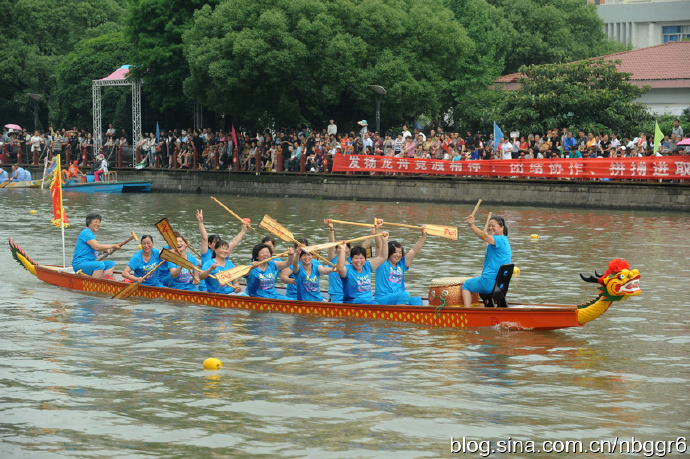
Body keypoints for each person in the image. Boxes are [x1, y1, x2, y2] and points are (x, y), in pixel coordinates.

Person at [461, 214, 512, 308]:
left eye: (493, 226)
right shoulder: (505, 241)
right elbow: (487, 241)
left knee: (466, 285)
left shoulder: (498, 239)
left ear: (502, 227)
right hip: (499, 286)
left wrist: (472, 225)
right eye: (489, 226)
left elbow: (484, 237)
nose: (490, 228)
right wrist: (484, 235)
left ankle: (466, 312)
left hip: (488, 283)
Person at [374, 227, 427, 306]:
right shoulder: (382, 262)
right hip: (382, 299)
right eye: (395, 252)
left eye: (400, 252)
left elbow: (414, 251)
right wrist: (377, 230)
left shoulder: (401, 264)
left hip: (399, 298)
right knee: (405, 295)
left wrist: (423, 236)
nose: (398, 255)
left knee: (417, 299)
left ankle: (413, 317)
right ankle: (401, 317)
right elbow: (378, 246)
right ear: (389, 252)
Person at [335, 227, 388, 304]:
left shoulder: (367, 266)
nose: (359, 261)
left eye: (361, 258)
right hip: (353, 303)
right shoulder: (347, 270)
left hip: (368, 302)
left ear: (365, 259)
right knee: (375, 304)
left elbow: (383, 257)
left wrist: (384, 241)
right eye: (356, 258)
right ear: (351, 260)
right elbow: (339, 268)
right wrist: (343, 249)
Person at [72, 212, 122, 279]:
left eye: (99, 222)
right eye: (95, 222)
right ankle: (96, 284)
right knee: (100, 265)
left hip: (90, 263)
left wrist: (106, 251)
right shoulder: (86, 233)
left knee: (111, 264)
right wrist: (113, 246)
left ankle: (106, 280)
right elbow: (97, 247)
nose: (97, 224)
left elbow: (95, 252)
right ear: (89, 222)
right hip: (80, 264)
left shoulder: (92, 235)